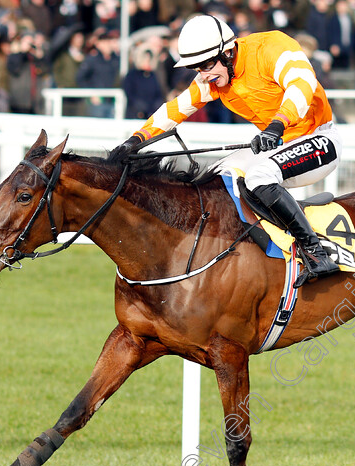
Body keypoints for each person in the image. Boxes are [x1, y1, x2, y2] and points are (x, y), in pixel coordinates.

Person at [110, 14, 341, 287]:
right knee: (216, 176)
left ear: (228, 52)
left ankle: (316, 254)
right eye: (196, 68)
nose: (204, 75)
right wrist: (136, 140)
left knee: (259, 177)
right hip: (279, 142)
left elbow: (303, 85)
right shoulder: (213, 79)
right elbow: (176, 109)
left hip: (319, 139)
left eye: (207, 64)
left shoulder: (272, 48)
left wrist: (277, 124)